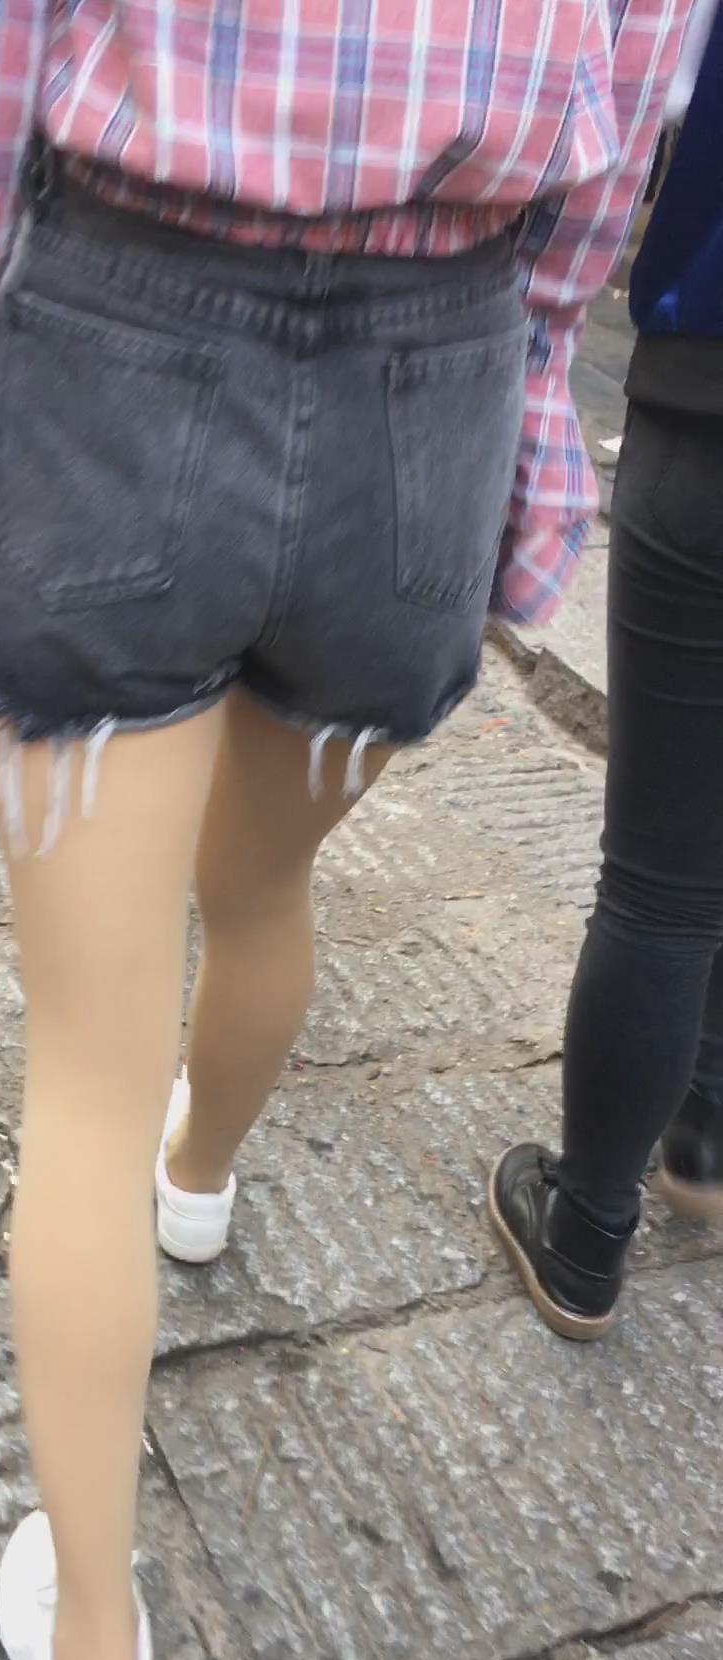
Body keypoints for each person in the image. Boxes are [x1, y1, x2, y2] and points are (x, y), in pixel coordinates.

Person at [0, 0, 692, 1660]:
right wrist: (532, 353)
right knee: (263, 894)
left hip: (121, 341)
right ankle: (202, 1184)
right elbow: (639, 67)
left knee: (85, 1069)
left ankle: (97, 1658)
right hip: (437, 374)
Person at [490, 0, 723, 1343]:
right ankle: (705, 1133)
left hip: (712, 405)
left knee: (661, 875)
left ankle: (585, 1231)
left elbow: (647, 87)